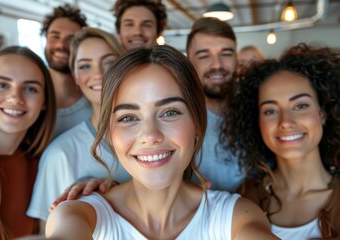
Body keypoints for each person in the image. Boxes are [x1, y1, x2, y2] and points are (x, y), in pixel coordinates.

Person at [45, 45, 278, 240]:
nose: (150, 135)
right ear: (109, 133)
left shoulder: (237, 216)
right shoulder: (78, 214)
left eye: (169, 112)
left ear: (197, 122)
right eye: (128, 117)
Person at [222, 43, 340, 239]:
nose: (286, 122)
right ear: (257, 122)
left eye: (301, 106)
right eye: (270, 111)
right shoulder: (245, 196)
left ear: (323, 113)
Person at [27, 27, 131, 234]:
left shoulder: (155, 139)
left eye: (109, 62)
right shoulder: (60, 154)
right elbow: (45, 231)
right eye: (85, 66)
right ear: (75, 77)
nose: (99, 74)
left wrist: (116, 191)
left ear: (125, 67)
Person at [0, 46, 55, 239]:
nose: (15, 98)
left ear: (44, 101)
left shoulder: (44, 167)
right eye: (2, 85)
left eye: (30, 88)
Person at [186, 17, 245, 192]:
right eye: (204, 56)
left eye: (226, 53)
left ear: (236, 58)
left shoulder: (258, 109)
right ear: (189, 62)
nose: (217, 65)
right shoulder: (176, 117)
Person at [42, 3, 92, 137]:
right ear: (45, 39)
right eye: (55, 36)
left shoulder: (96, 101)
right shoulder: (30, 98)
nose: (61, 45)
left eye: (72, 39)